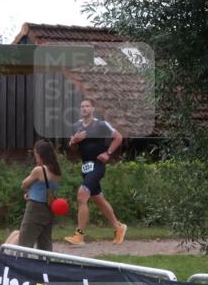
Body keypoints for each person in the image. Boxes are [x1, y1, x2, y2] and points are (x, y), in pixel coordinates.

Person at [64, 98, 127, 245]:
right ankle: (118, 227)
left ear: (93, 109)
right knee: (98, 200)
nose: (84, 108)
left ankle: (79, 235)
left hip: (98, 165)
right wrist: (74, 141)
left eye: (87, 106)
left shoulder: (100, 124)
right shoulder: (76, 126)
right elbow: (71, 147)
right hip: (85, 166)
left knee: (81, 196)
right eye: (82, 106)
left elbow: (118, 137)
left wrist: (108, 153)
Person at [18, 140, 62, 251]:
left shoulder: (39, 170)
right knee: (45, 242)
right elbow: (47, 189)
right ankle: (45, 265)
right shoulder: (57, 171)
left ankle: (22, 264)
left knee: (25, 241)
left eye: (35, 155)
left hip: (35, 207)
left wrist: (28, 192)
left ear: (40, 155)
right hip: (49, 208)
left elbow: (24, 184)